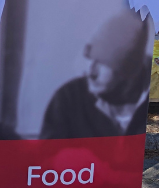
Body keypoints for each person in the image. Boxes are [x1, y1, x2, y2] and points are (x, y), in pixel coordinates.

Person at [40, 10, 152, 139]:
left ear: (128, 72)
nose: (91, 72)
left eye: (103, 62)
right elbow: (45, 157)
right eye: (90, 57)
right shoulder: (68, 99)